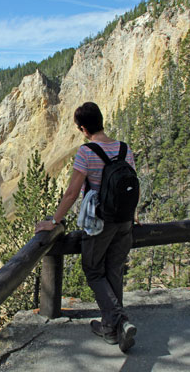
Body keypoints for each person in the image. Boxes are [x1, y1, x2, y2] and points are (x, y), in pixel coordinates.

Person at [35, 101, 138, 353]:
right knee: (113, 270)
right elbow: (132, 186)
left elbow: (71, 193)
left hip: (100, 222)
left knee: (92, 269)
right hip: (124, 221)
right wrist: (133, 216)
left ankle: (119, 321)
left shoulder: (86, 152)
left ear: (83, 128)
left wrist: (54, 221)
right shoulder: (124, 149)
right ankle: (110, 329)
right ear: (101, 121)